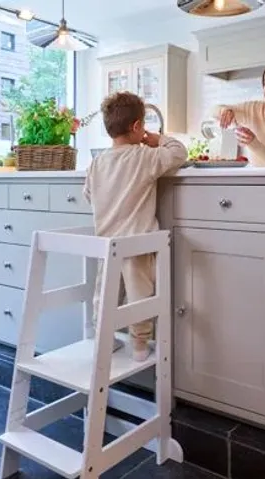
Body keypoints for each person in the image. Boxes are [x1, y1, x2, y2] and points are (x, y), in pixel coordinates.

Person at [84, 92, 187, 361]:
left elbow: (88, 194)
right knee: (139, 294)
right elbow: (179, 153)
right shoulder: (144, 158)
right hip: (137, 244)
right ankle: (140, 346)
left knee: (104, 293)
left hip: (108, 243)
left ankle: (102, 340)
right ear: (137, 127)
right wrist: (159, 140)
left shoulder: (97, 162)